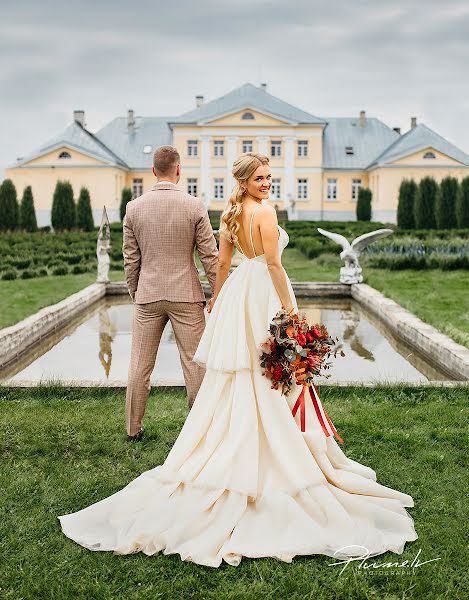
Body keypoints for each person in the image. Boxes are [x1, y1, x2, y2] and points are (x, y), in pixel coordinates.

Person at [59, 153, 417, 567]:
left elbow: (224, 264)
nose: (267, 183)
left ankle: (204, 432)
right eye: (260, 178)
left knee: (239, 369)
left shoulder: (227, 214)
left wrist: (217, 300)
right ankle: (269, 441)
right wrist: (290, 310)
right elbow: (275, 265)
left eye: (269, 177)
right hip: (263, 292)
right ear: (245, 181)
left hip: (236, 296)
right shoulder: (265, 212)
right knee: (263, 368)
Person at [121, 145, 218, 441]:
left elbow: (130, 257)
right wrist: (219, 291)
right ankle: (200, 429)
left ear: (153, 171)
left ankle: (133, 429)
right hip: (186, 294)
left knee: (139, 362)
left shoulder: (133, 207)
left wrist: (136, 290)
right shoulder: (194, 205)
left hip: (148, 295)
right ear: (178, 170)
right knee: (195, 363)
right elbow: (209, 256)